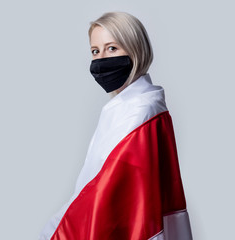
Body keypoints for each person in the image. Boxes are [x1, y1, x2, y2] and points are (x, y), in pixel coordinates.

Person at [39, 12, 193, 240]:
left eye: (112, 48)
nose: (101, 59)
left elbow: (104, 191)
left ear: (135, 49)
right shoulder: (131, 106)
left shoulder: (139, 113)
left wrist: (55, 232)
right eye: (95, 51)